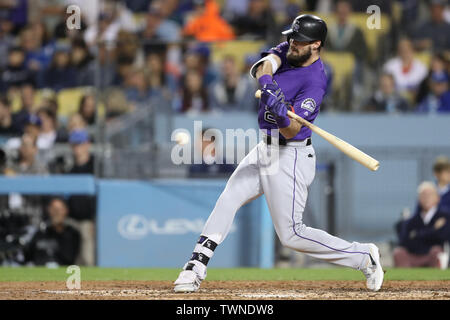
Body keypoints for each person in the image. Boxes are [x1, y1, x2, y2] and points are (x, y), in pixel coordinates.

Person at [174, 14, 384, 293]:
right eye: (292, 38)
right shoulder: (289, 51)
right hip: (264, 147)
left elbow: (292, 130)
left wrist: (282, 114)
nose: (292, 44)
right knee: (229, 198)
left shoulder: (315, 82)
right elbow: (263, 67)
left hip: (291, 157)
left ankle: (362, 256)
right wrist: (269, 86)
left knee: (292, 235)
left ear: (316, 45)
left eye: (300, 41)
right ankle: (195, 266)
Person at [393, 182, 450, 268]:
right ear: (419, 199)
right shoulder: (411, 220)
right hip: (413, 255)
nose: (426, 198)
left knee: (436, 251)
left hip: (432, 255)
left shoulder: (444, 216)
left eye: (430, 195)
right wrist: (434, 229)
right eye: (423, 195)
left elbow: (443, 236)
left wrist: (416, 234)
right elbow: (403, 241)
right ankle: (406, 281)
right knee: (399, 252)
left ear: (437, 198)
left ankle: (436, 281)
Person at [25, 197, 81, 266]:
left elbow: (69, 258)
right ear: (48, 210)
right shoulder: (42, 232)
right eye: (54, 209)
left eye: (60, 209)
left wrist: (58, 232)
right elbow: (29, 255)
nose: (57, 213)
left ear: (66, 210)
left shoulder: (72, 233)